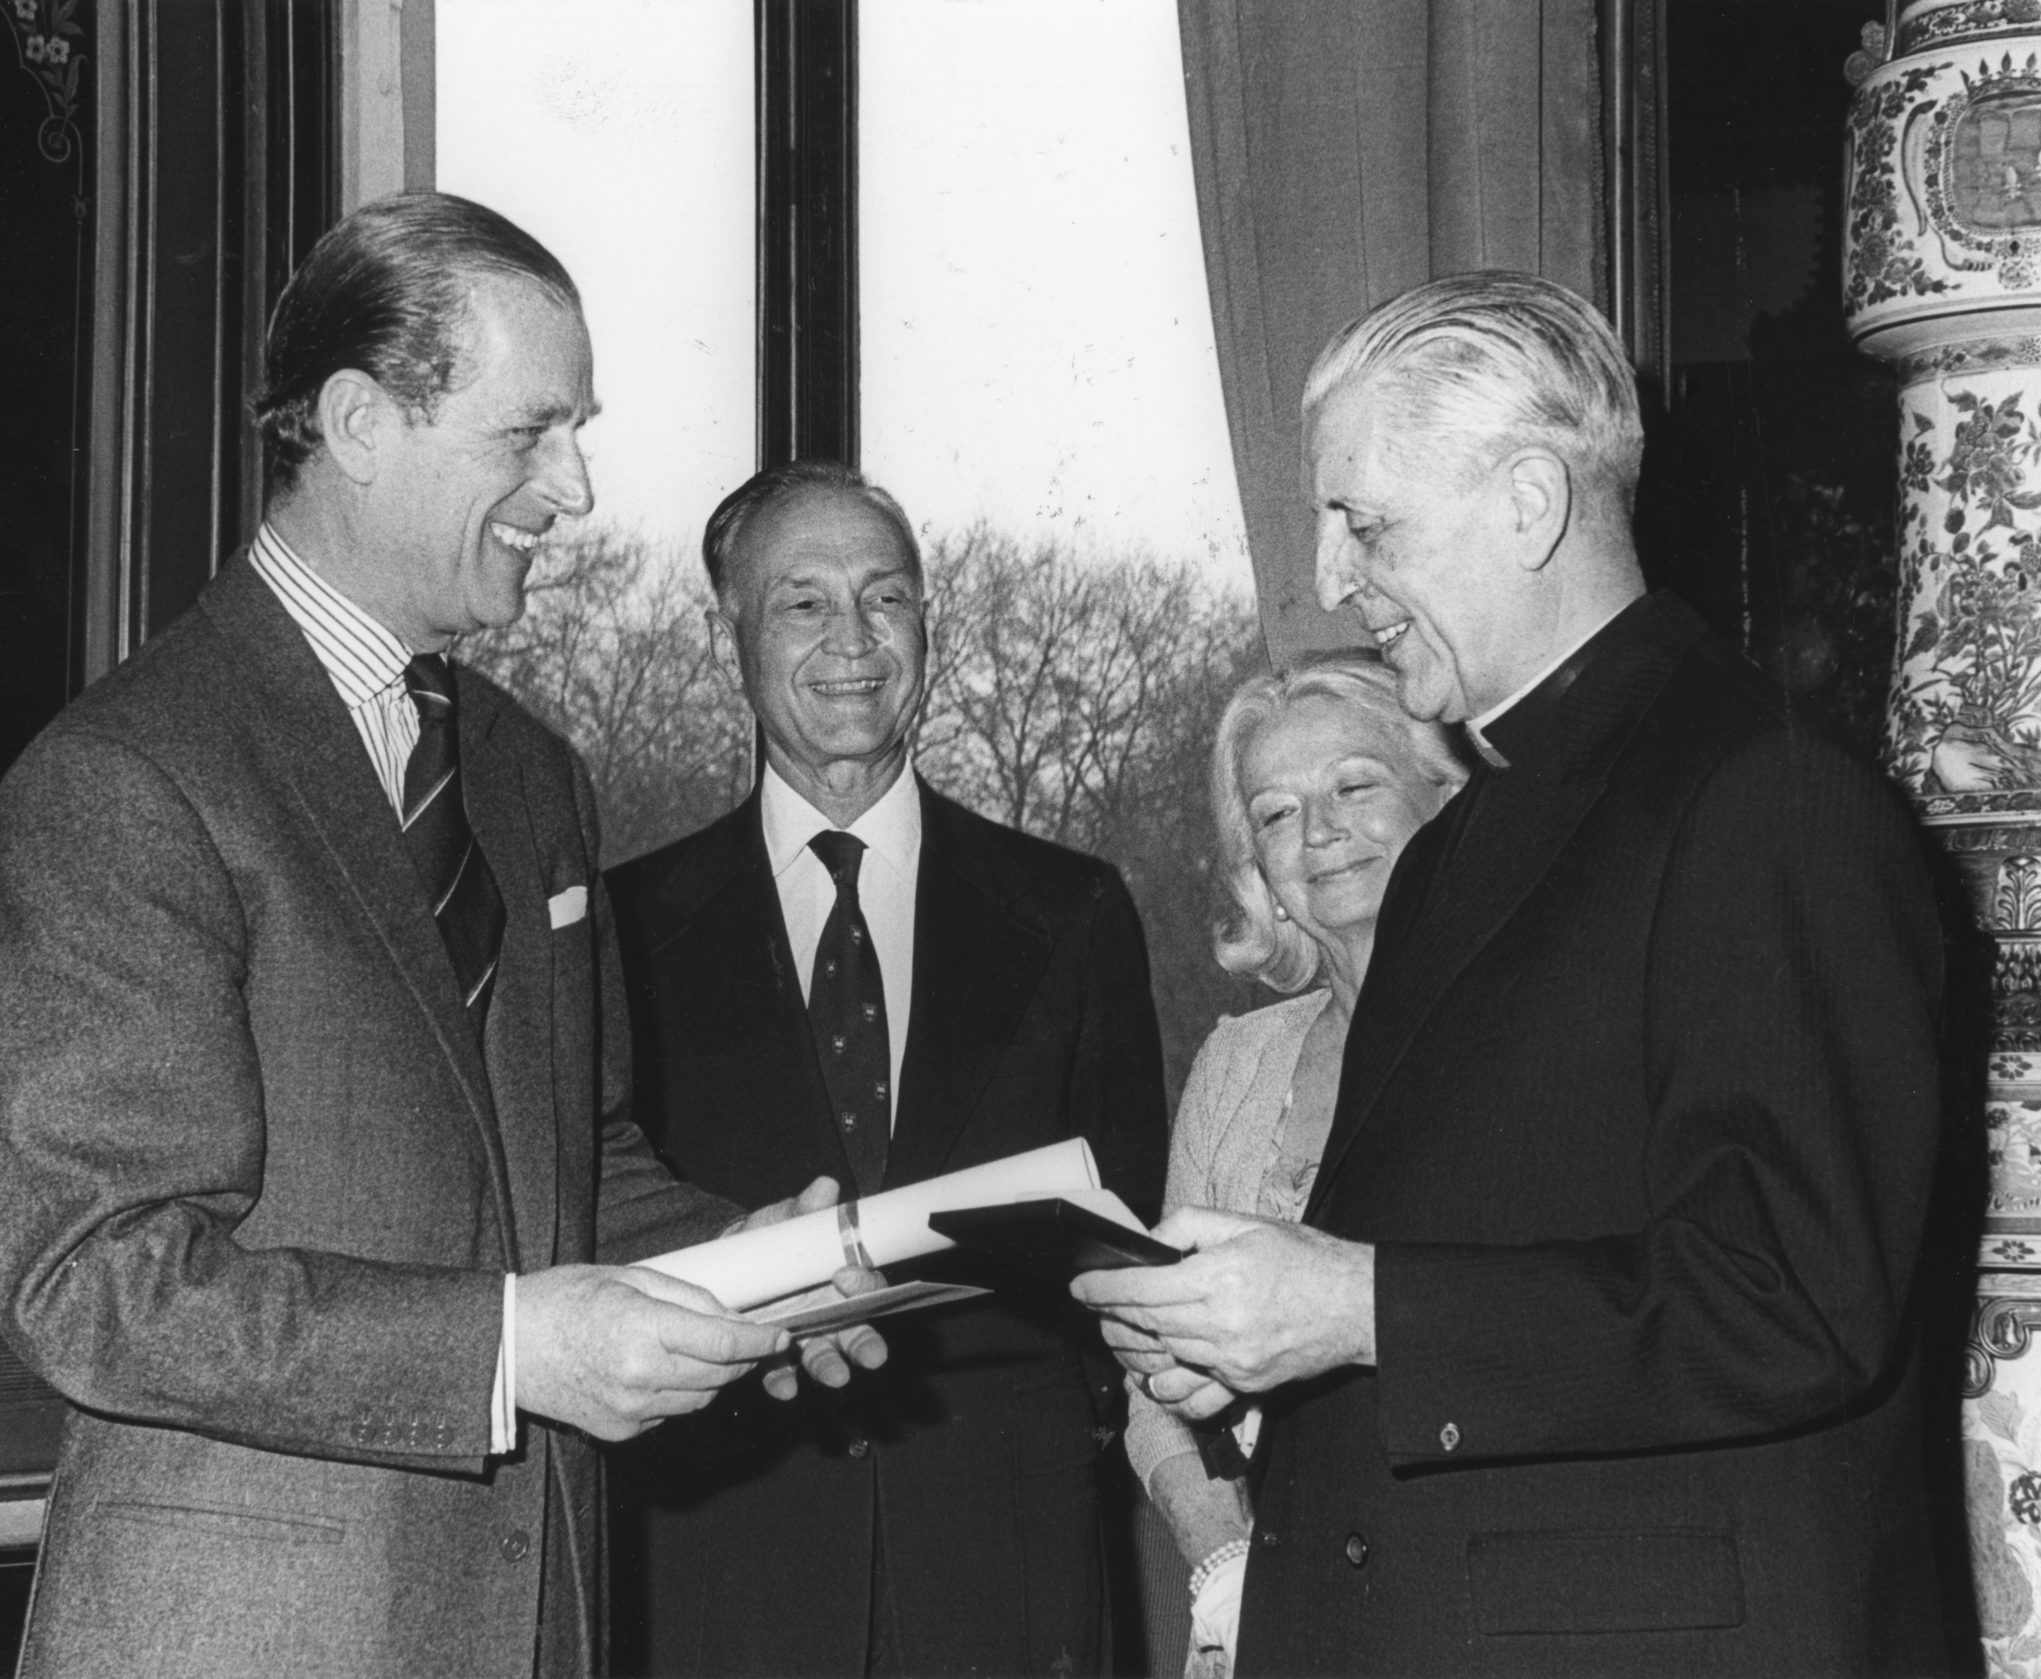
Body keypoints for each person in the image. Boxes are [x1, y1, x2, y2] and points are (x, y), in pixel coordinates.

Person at [0, 193, 880, 1679]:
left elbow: (567, 1167)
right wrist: (511, 1349)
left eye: (577, 432)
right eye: (528, 433)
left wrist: (735, 1262)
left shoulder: (532, 778)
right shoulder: (126, 777)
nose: (575, 489)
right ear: (359, 422)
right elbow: (95, 1277)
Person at [1073, 271, 1956, 1675]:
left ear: (1530, 503)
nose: (1329, 577)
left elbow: (1793, 1294)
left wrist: (1345, 1306)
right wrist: (1257, 1342)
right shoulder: (1457, 845)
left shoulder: (1760, 794)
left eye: (1366, 523)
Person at [604, 459, 1170, 1677]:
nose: (852, 639)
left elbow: (1119, 1242)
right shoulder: (622, 931)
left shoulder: (1071, 910)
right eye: (803, 601)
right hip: (721, 1566)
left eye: (886, 596)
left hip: (1005, 1567)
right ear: (732, 634)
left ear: (928, 622)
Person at [1126, 655, 1463, 1679]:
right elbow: (1152, 1377)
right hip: (1265, 1604)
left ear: (1443, 798)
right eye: (1276, 813)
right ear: (1256, 867)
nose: (1317, 831)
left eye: (1355, 785)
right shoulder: (1236, 1064)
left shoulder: (1535, 1032)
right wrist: (1220, 1557)